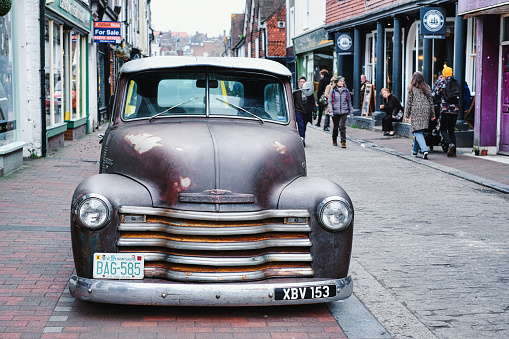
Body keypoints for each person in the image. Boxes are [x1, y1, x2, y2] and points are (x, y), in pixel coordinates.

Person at [404, 71, 435, 159]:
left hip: (416, 110)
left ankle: (424, 150)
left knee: (417, 131)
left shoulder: (411, 88)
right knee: (418, 131)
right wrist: (433, 114)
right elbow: (431, 101)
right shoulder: (427, 87)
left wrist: (407, 114)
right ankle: (414, 151)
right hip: (426, 109)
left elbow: (409, 102)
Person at [432, 66, 459, 157]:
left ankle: (450, 144)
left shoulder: (442, 82)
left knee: (443, 129)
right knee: (451, 130)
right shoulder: (456, 82)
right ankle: (454, 152)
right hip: (455, 110)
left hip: (445, 110)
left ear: (444, 74)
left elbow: (434, 94)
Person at [327, 76, 353, 148]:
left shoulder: (346, 91)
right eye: (341, 81)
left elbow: (349, 102)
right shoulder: (333, 91)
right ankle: (334, 139)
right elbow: (329, 102)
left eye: (343, 81)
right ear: (337, 82)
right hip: (335, 112)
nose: (342, 82)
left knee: (342, 126)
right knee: (335, 127)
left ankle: (343, 141)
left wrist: (351, 111)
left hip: (344, 111)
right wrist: (331, 111)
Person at [293, 76, 315, 147]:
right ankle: (302, 140)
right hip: (298, 111)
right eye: (301, 82)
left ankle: (302, 138)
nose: (302, 83)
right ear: (298, 83)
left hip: (306, 112)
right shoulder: (296, 92)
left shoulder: (309, 91)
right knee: (301, 125)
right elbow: (292, 101)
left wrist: (314, 111)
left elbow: (312, 102)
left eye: (304, 82)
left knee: (304, 126)